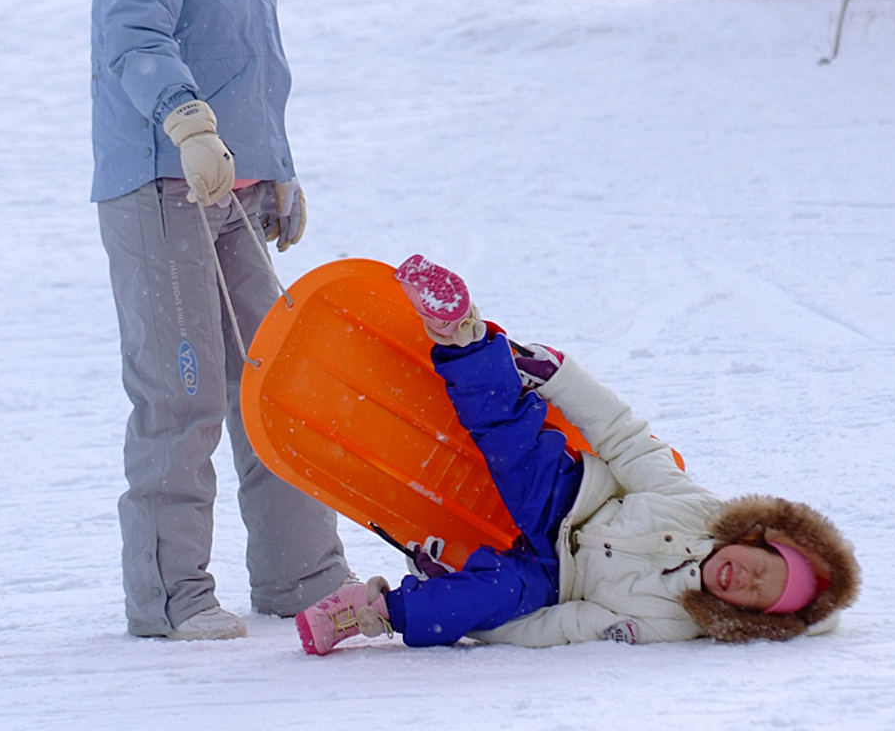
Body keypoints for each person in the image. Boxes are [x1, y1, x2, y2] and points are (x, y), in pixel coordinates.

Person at [92, 0, 349, 640]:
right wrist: (186, 124)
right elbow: (134, 33)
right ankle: (170, 596)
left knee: (275, 382)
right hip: (161, 181)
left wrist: (271, 165)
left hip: (227, 188)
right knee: (183, 392)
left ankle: (302, 574)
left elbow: (247, 58)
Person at [296, 256, 860, 652]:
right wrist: (559, 376)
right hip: (570, 501)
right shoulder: (696, 509)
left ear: (749, 619)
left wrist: (463, 602)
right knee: (511, 433)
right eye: (762, 569)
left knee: (493, 598)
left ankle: (372, 612)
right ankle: (460, 334)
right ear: (754, 540)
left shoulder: (673, 622)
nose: (745, 580)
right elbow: (624, 437)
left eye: (757, 597)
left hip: (551, 578)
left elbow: (564, 627)